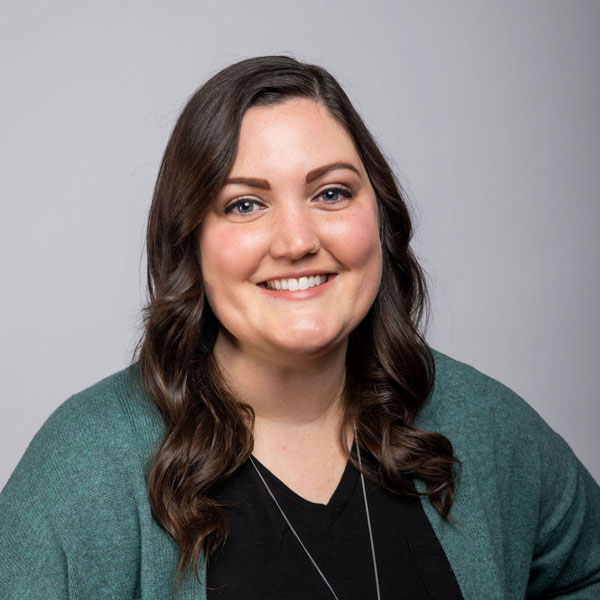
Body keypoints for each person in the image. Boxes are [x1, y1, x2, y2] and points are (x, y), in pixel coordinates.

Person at [0, 55, 598, 600]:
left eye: (331, 193)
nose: (297, 241)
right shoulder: (86, 465)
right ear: (191, 243)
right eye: (244, 204)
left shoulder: (484, 424)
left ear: (380, 217)